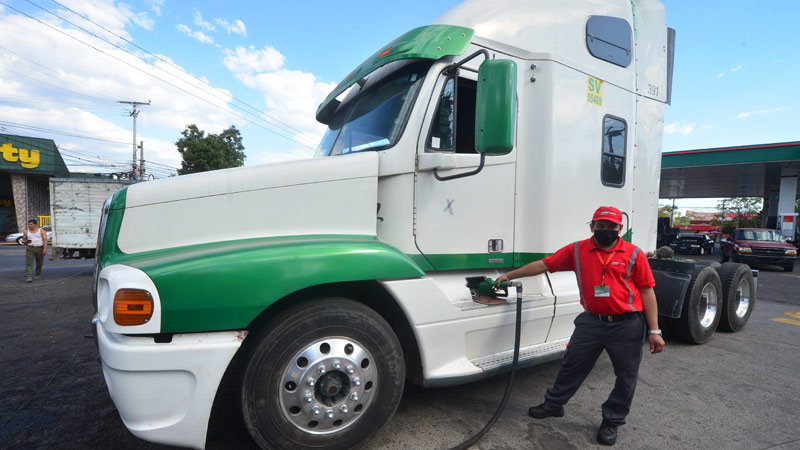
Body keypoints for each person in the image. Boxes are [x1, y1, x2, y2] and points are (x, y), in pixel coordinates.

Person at [496, 206, 665, 446]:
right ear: (592, 226)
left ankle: (612, 420)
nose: (606, 230)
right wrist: (510, 276)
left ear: (620, 228)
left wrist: (655, 331)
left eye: (611, 227)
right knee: (572, 365)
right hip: (591, 322)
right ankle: (554, 405)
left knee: (626, 376)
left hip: (626, 325)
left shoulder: (634, 254)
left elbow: (647, 292)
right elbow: (544, 265)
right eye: (601, 225)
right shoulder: (577, 250)